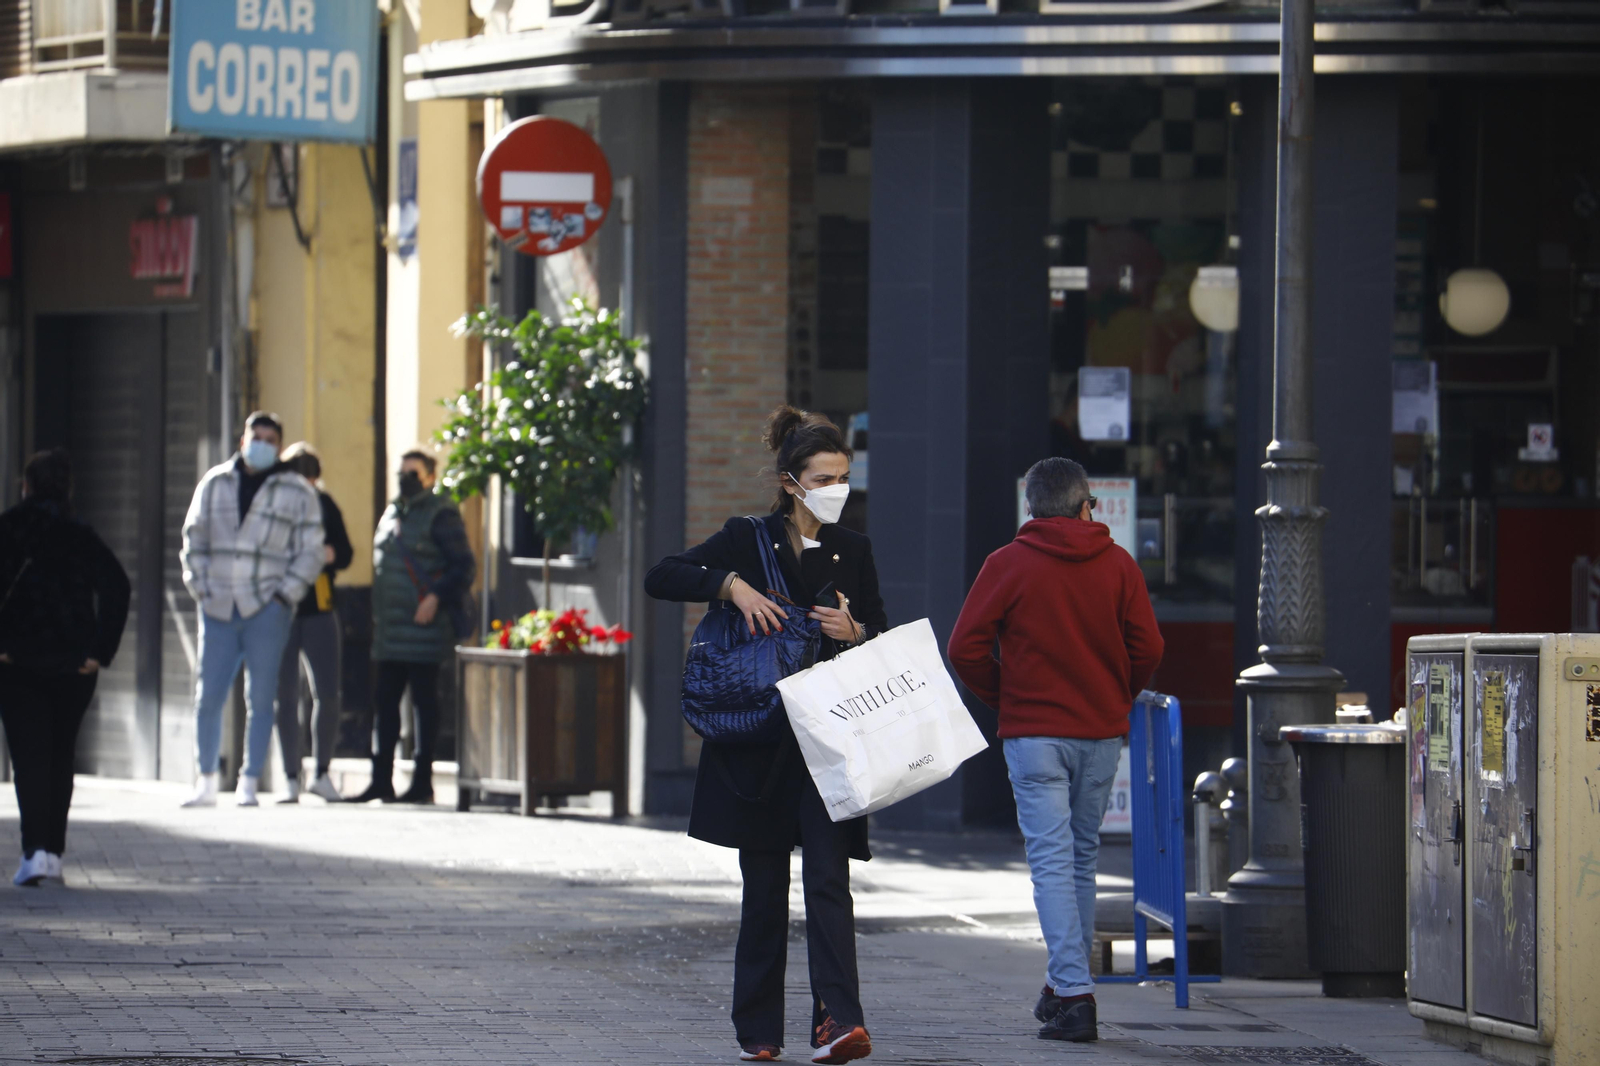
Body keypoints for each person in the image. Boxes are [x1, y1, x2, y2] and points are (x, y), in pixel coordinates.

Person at [644, 405, 886, 1066]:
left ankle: (838, 1021)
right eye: (824, 477)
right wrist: (730, 587)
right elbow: (661, 575)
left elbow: (885, 640)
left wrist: (857, 633)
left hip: (828, 742)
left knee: (829, 880)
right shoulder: (747, 539)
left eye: (844, 476)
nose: (837, 488)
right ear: (790, 481)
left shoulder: (854, 550)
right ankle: (759, 1031)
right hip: (758, 744)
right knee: (764, 887)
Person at [948, 457, 1163, 1043]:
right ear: (1086, 504)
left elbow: (964, 647)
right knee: (1081, 861)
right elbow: (1148, 644)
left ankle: (1074, 995)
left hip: (1034, 735)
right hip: (1098, 734)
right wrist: (1117, 693)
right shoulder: (1119, 565)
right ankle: (1063, 982)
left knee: (1051, 864)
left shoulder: (1007, 564)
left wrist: (1007, 696)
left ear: (1033, 507)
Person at [180, 412, 325, 808]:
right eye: (255, 436)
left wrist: (284, 596)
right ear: (242, 438)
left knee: (261, 697)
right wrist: (202, 588)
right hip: (219, 606)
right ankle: (206, 779)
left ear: (279, 445)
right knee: (208, 695)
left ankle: (249, 780)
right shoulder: (215, 483)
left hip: (267, 607)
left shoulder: (297, 492)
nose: (261, 443)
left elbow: (311, 550)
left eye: (269, 438)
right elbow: (193, 537)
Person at [0, 450, 130, 887]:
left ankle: (34, 851)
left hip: (18, 661)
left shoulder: (10, 529)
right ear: (68, 489)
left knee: (29, 757)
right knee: (60, 755)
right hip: (76, 664)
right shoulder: (80, 534)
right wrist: (100, 650)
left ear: (26, 486)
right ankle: (53, 852)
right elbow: (117, 586)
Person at [346, 449, 474, 805]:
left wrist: (434, 597)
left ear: (431, 477)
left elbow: (463, 566)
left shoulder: (441, 513)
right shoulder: (393, 512)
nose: (405, 479)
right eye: (402, 472)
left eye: (413, 473)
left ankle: (422, 783)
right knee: (384, 704)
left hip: (424, 630)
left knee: (424, 705)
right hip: (390, 630)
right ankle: (381, 780)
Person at [273, 442, 354, 804]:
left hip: (320, 607)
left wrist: (325, 554)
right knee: (284, 696)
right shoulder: (271, 507)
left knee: (327, 692)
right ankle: (290, 775)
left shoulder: (325, 505)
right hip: (280, 609)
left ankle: (321, 772)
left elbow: (346, 553)